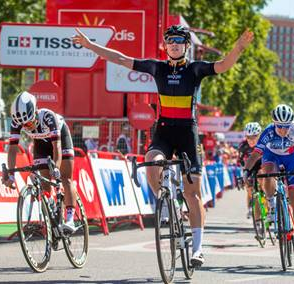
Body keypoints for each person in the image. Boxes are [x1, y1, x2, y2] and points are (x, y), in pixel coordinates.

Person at [72, 25, 254, 267]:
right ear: (166, 46)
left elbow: (221, 66)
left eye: (180, 41)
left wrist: (238, 49)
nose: (175, 44)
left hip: (188, 133)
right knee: (152, 164)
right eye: (171, 41)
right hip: (165, 131)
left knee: (193, 193)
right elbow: (120, 58)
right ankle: (167, 202)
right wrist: (91, 46)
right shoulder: (157, 67)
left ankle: (197, 250)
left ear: (186, 46)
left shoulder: (194, 69)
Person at [3, 91, 77, 232]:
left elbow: (57, 148)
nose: (27, 127)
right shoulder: (17, 121)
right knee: (44, 182)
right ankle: (51, 211)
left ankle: (70, 218)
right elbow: (12, 149)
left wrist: (56, 168)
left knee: (65, 177)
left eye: (29, 122)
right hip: (41, 144)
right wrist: (11, 174)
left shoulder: (49, 117)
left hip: (60, 139)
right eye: (24, 125)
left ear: (36, 112)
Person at [244, 104, 294, 255]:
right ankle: (271, 202)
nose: (283, 129)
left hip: (292, 158)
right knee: (268, 172)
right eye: (280, 126)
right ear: (274, 123)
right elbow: (255, 155)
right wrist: (246, 171)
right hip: (272, 156)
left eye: (286, 126)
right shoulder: (267, 132)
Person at [237, 122, 262, 219]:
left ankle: (269, 203)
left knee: (263, 180)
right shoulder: (243, 145)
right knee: (249, 188)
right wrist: (244, 176)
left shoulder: (263, 144)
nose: (251, 140)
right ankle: (250, 208)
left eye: (254, 137)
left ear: (259, 135)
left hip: (262, 166)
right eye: (248, 137)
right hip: (249, 167)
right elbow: (240, 161)